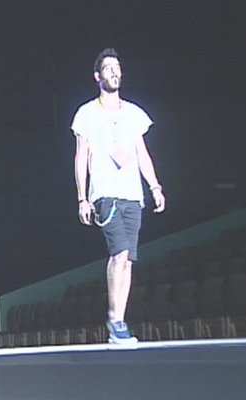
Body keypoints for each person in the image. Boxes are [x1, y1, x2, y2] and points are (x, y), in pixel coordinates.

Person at [71, 48, 166, 344]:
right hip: (105, 194)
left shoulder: (134, 113)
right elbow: (81, 157)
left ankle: (119, 322)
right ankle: (114, 320)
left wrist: (155, 186)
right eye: (108, 68)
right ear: (98, 76)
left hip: (132, 194)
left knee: (128, 260)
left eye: (118, 67)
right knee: (119, 252)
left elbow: (142, 153)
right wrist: (82, 198)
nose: (114, 71)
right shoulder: (87, 113)